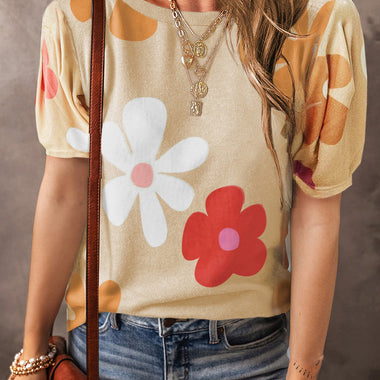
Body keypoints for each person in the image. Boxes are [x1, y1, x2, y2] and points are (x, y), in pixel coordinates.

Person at [9, 0, 367, 379]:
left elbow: (317, 211)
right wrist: (32, 355)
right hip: (110, 348)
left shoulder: (316, 19)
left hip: (250, 352)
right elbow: (65, 192)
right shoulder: (81, 16)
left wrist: (303, 372)